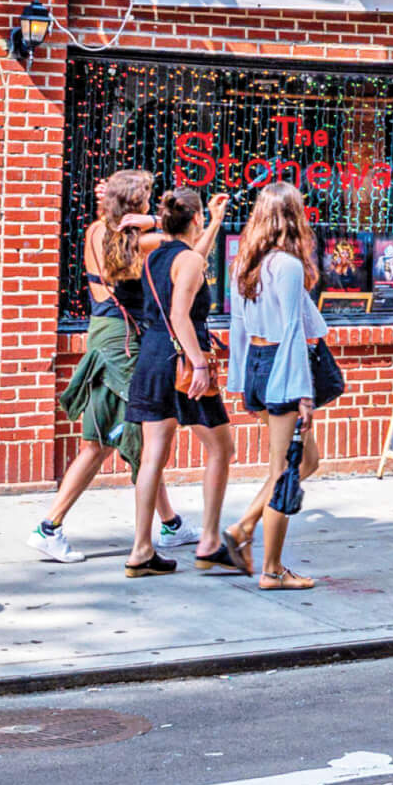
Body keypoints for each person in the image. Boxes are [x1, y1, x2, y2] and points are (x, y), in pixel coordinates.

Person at [31, 170, 194, 563]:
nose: (155, 204)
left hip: (103, 333)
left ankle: (170, 524)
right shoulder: (145, 241)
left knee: (118, 436)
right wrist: (155, 221)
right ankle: (49, 526)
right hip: (123, 341)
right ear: (136, 205)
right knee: (119, 437)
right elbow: (193, 235)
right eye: (149, 198)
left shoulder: (94, 232)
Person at [123, 187, 247, 577]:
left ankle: (141, 549)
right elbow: (181, 314)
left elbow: (193, 258)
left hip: (152, 357)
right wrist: (199, 364)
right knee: (221, 448)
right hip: (181, 361)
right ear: (194, 220)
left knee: (153, 457)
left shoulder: (155, 255)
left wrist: (215, 222)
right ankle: (209, 541)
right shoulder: (188, 260)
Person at [225, 182, 329, 590]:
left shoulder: (247, 262)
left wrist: (241, 379)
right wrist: (303, 393)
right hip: (280, 367)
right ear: (293, 217)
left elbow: (237, 327)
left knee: (308, 460)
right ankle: (271, 569)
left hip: (258, 362)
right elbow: (291, 333)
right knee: (284, 470)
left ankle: (242, 528)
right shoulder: (285, 265)